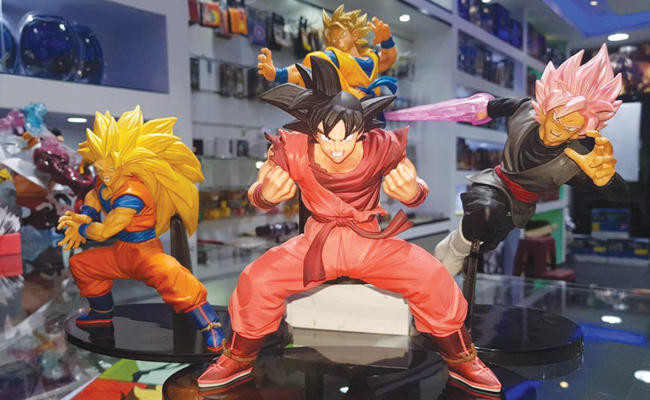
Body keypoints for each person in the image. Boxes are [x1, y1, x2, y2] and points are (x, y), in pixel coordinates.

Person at [197, 58, 502, 394]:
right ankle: (237, 358)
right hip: (316, 244)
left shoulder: (382, 145)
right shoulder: (292, 147)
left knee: (431, 276)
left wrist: (412, 191)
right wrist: (265, 194)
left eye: (347, 138)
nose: (337, 149)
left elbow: (415, 187)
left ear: (362, 130)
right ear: (313, 130)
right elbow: (258, 191)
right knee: (257, 279)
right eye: (327, 138)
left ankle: (461, 358)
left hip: (369, 241)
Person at [386, 44, 628, 275]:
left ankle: (456, 247)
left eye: (571, 127)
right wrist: (471, 109)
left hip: (519, 204)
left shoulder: (572, 160)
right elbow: (487, 108)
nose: (558, 130)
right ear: (547, 108)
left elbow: (620, 194)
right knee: (484, 212)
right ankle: (455, 250)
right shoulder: (525, 109)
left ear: (581, 131)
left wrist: (606, 180)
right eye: (557, 119)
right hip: (494, 183)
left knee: (486, 237)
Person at [56, 106, 224, 352]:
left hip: (146, 253)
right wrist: (86, 215)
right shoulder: (105, 177)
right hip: (121, 252)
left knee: (175, 277)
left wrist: (80, 229)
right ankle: (101, 314)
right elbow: (94, 194)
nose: (105, 175)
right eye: (100, 169)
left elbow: (104, 232)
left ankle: (211, 326)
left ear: (126, 164)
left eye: (111, 169)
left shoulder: (132, 193)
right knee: (82, 264)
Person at [257, 4, 398, 99]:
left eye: (341, 35)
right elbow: (307, 69)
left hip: (372, 119)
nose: (337, 41)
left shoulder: (370, 57)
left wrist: (387, 40)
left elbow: (388, 59)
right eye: (333, 38)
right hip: (346, 120)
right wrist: (277, 74)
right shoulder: (335, 57)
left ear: (354, 34)